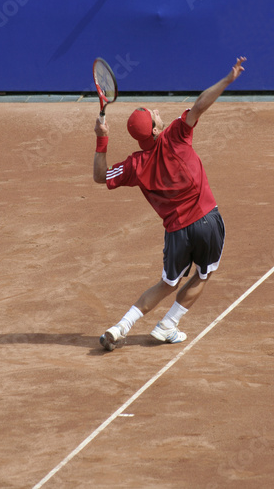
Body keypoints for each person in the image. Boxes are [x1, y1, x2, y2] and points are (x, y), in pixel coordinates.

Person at [93, 56, 247, 351]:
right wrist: (228, 79)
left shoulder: (133, 165)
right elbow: (200, 104)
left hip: (176, 233)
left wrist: (102, 139)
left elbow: (101, 176)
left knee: (167, 283)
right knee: (204, 274)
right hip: (206, 223)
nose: (158, 112)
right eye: (154, 115)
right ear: (153, 130)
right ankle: (167, 325)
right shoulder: (177, 134)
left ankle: (119, 327)